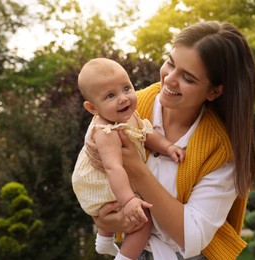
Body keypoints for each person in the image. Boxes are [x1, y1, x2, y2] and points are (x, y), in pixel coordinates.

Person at [87, 21, 255, 260]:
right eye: (170, 63)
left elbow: (191, 237)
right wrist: (104, 218)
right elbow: (93, 178)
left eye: (187, 78)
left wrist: (135, 169)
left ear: (214, 92)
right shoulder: (127, 107)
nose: (169, 79)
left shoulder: (220, 149)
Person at [72, 58, 185, 259]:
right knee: (144, 220)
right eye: (110, 96)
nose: (123, 98)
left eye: (126, 88)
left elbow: (147, 134)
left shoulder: (129, 116)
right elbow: (114, 168)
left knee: (131, 214)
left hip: (114, 181)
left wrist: (168, 147)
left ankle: (104, 241)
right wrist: (130, 200)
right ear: (93, 108)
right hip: (103, 183)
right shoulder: (106, 132)